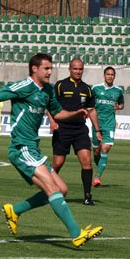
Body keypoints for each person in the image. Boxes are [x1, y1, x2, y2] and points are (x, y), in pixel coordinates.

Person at [0, 53, 103, 248]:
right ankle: (77, 233)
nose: (50, 71)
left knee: (62, 190)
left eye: (51, 68)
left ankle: (15, 210)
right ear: (34, 69)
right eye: (46, 68)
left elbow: (57, 113)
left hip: (34, 148)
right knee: (52, 188)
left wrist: (75, 113)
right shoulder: (23, 86)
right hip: (20, 147)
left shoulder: (47, 90)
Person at [52, 58, 101, 206]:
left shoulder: (87, 89)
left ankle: (87, 196)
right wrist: (52, 121)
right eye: (75, 69)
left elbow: (92, 111)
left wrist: (97, 130)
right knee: (58, 163)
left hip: (80, 129)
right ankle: (47, 189)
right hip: (62, 129)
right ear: (69, 69)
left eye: (80, 69)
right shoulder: (60, 85)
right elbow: (50, 105)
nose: (78, 71)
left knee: (86, 160)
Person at [91, 66, 125, 187]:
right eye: (108, 74)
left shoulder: (118, 90)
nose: (110, 76)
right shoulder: (95, 88)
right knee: (96, 151)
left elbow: (121, 104)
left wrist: (119, 107)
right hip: (96, 124)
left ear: (114, 76)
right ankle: (99, 168)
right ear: (104, 75)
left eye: (112, 74)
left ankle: (97, 178)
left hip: (109, 124)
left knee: (105, 149)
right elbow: (89, 104)